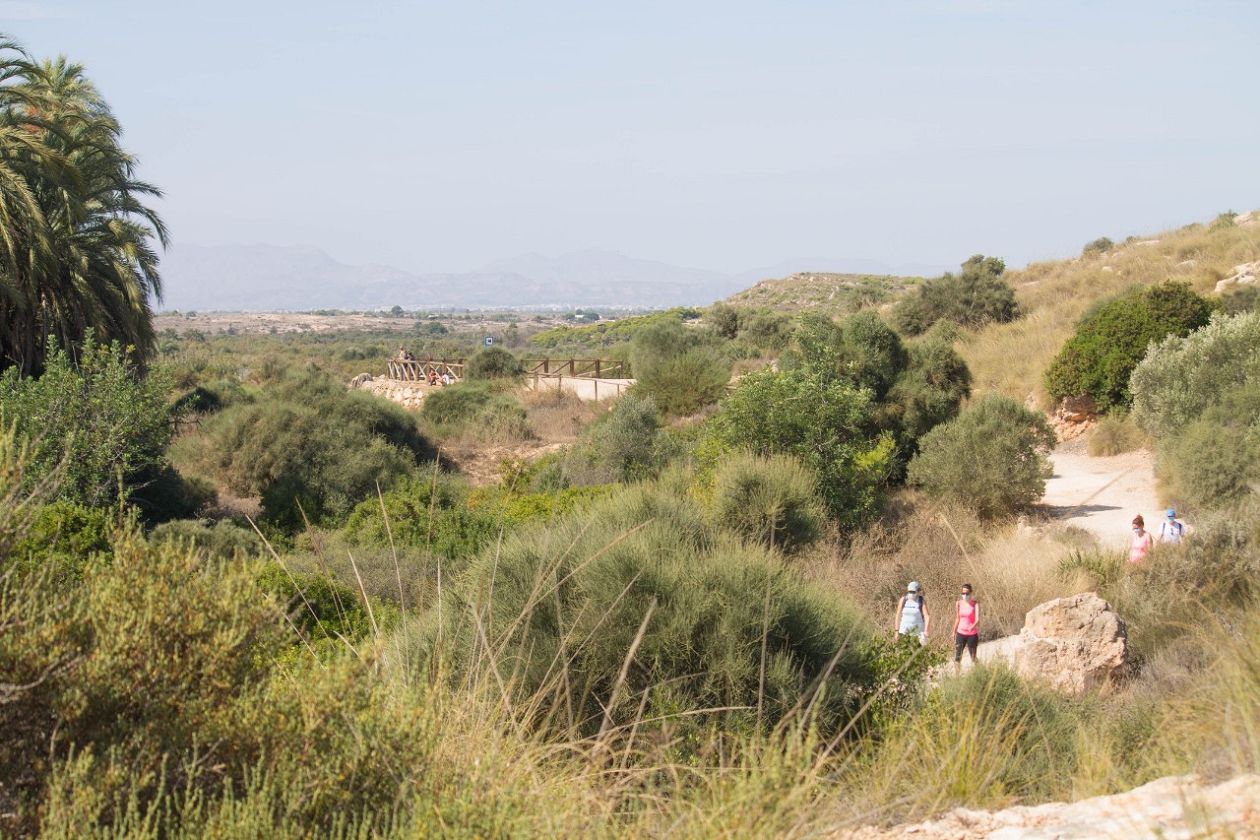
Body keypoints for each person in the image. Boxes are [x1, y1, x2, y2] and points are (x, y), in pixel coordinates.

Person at [953, 583, 980, 676]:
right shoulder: (958, 603)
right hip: (960, 633)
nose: (965, 596)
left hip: (972, 634)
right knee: (957, 657)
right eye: (963, 593)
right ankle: (957, 677)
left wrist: (973, 626)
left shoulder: (975, 604)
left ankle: (981, 672)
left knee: (973, 657)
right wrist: (954, 631)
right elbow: (957, 618)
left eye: (967, 593)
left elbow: (977, 619)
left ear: (971, 593)